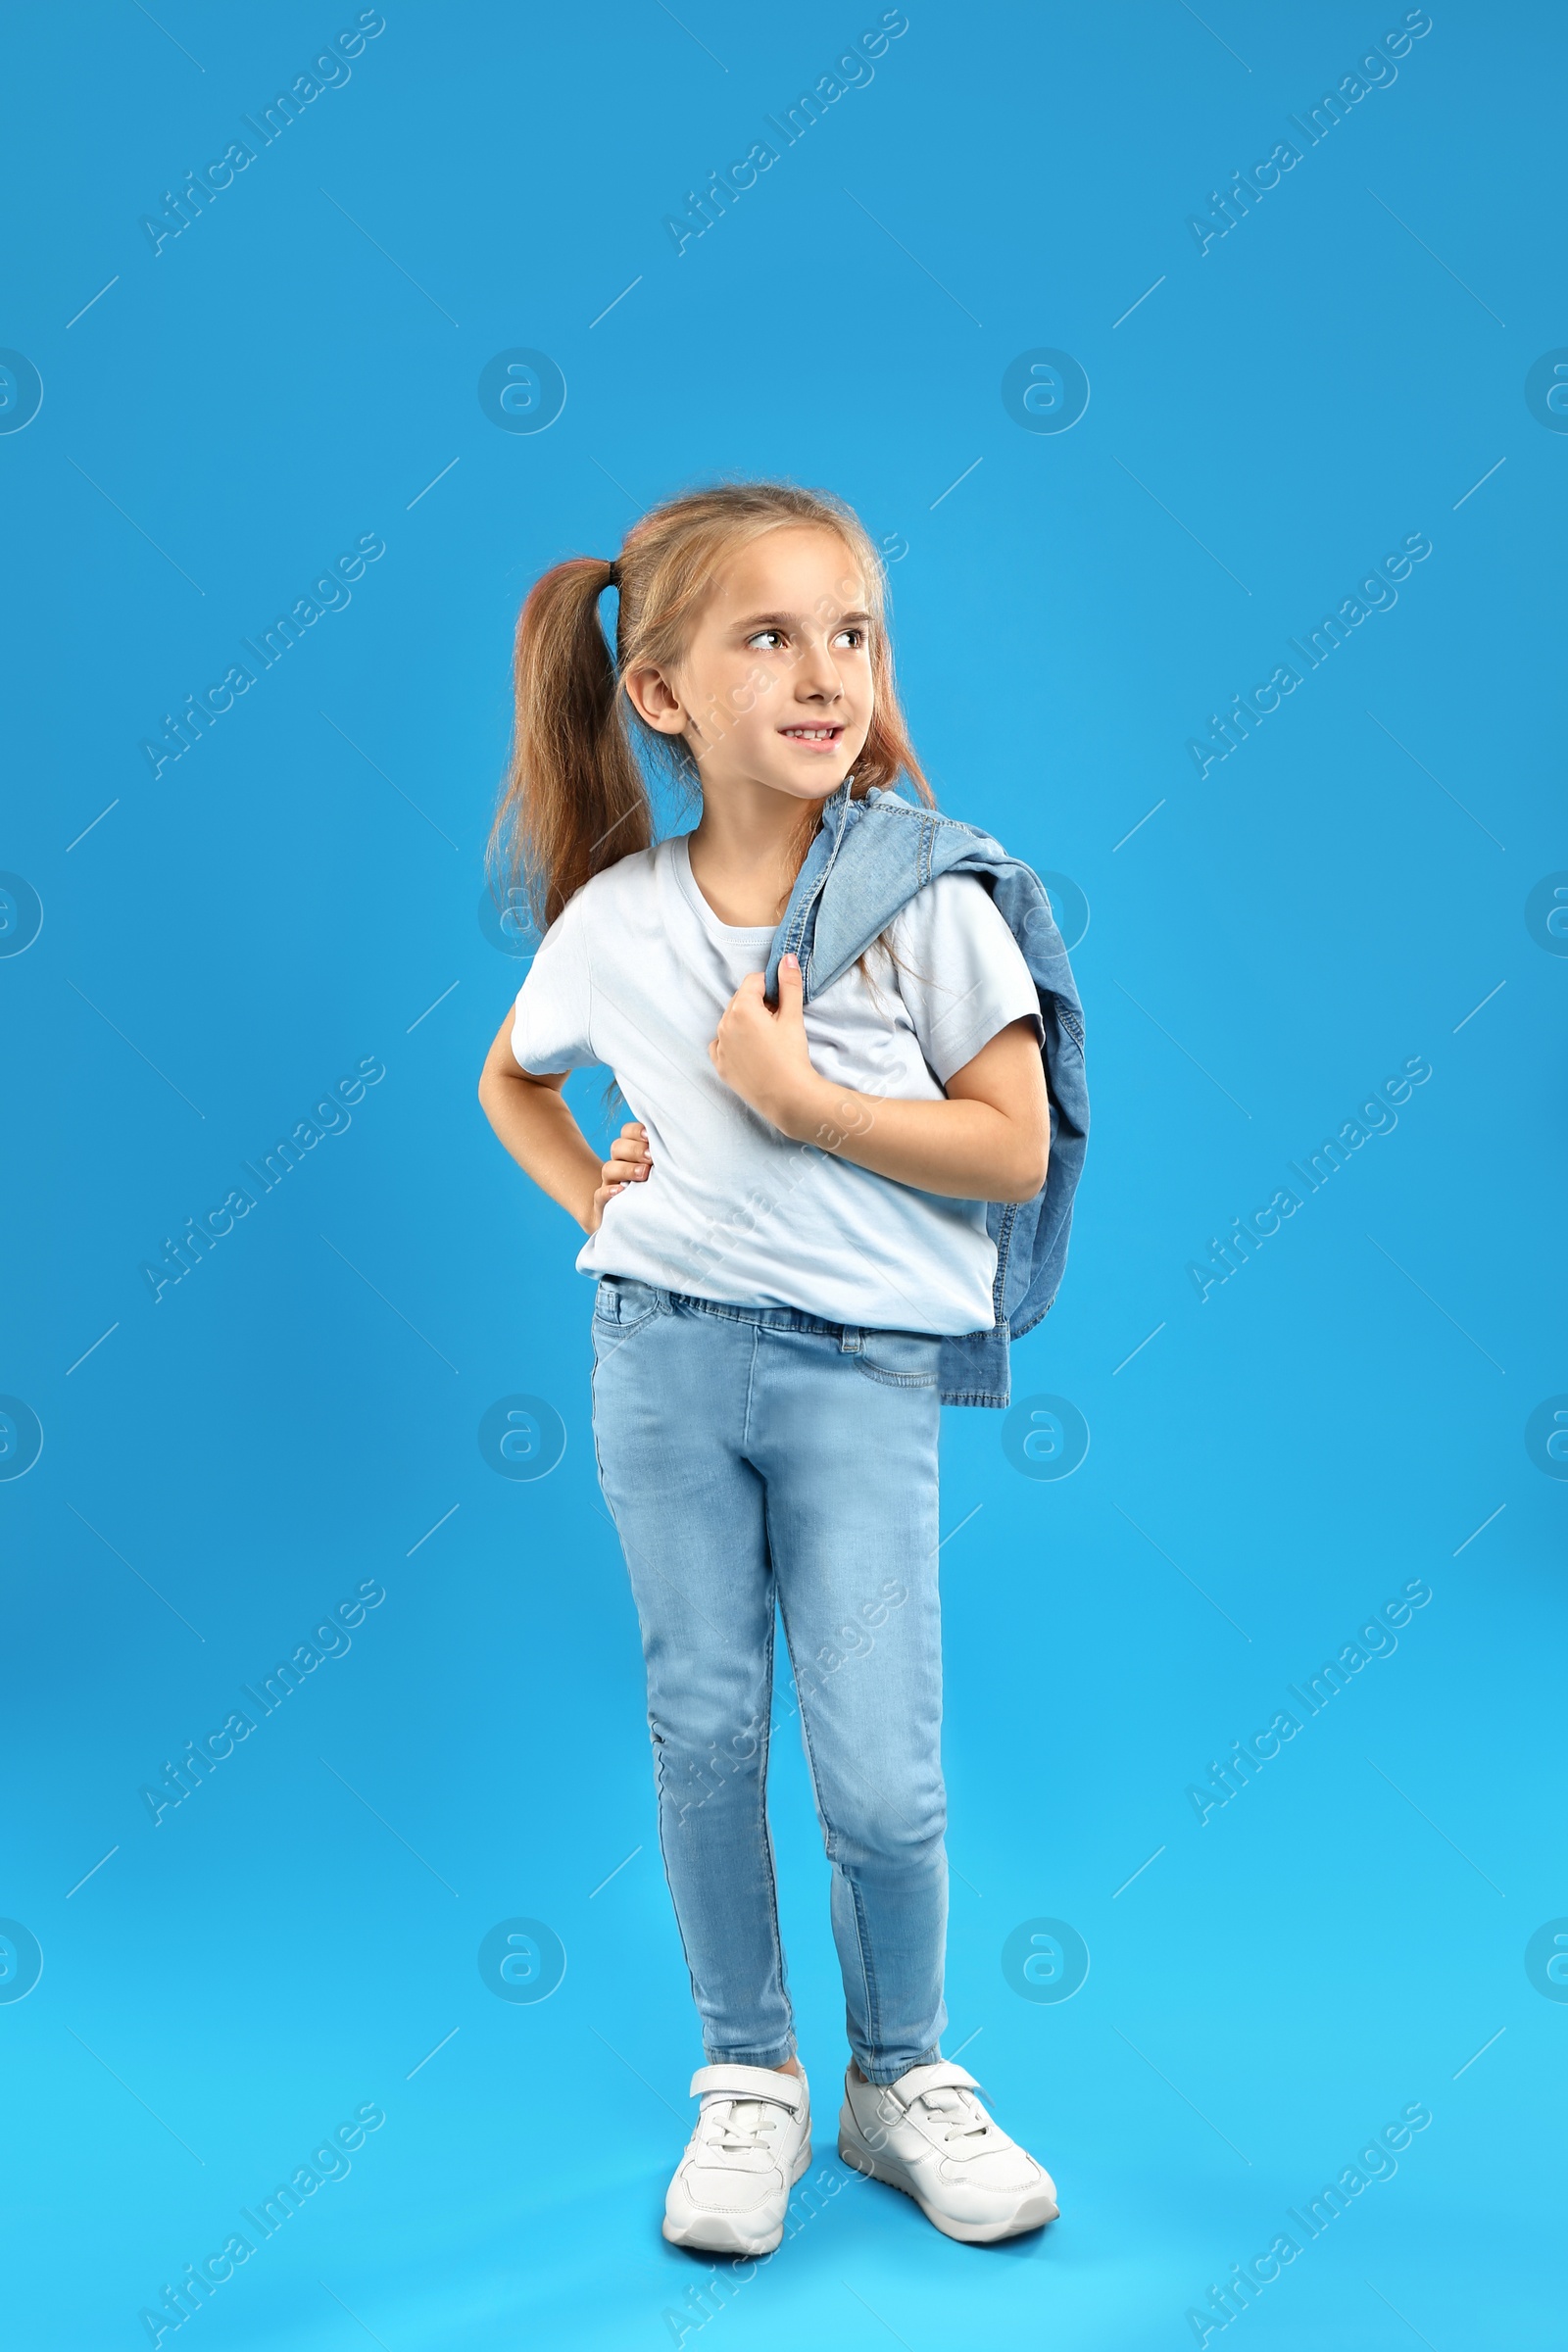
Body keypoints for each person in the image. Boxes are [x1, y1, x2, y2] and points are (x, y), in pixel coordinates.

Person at [478, 482, 1071, 2253]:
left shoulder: (923, 895)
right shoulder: (616, 919)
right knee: (705, 1726)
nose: (826, 672)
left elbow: (1014, 1147)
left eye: (852, 633)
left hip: (858, 1380)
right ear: (660, 696)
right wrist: (601, 1190)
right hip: (657, 1360)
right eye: (771, 636)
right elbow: (513, 1079)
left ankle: (899, 2080)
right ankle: (751, 2078)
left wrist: (804, 1102)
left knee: (882, 1768)